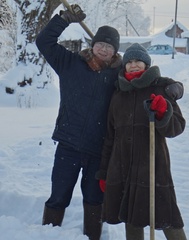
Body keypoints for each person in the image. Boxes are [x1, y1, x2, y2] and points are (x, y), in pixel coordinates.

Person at [36, 5, 122, 240]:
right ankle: (48, 235)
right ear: (92, 45)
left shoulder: (118, 75)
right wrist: (63, 20)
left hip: (99, 150)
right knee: (58, 196)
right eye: (100, 44)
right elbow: (44, 42)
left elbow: (142, 75)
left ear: (114, 52)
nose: (103, 49)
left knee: (95, 199)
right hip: (68, 146)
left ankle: (93, 236)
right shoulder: (70, 63)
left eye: (109, 46)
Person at [96, 43, 187, 240]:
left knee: (167, 217)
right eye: (129, 61)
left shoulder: (160, 87)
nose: (133, 65)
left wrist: (164, 113)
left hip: (153, 168)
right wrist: (104, 172)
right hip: (123, 168)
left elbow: (177, 127)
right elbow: (110, 138)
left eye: (138, 61)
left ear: (146, 64)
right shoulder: (118, 94)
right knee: (132, 220)